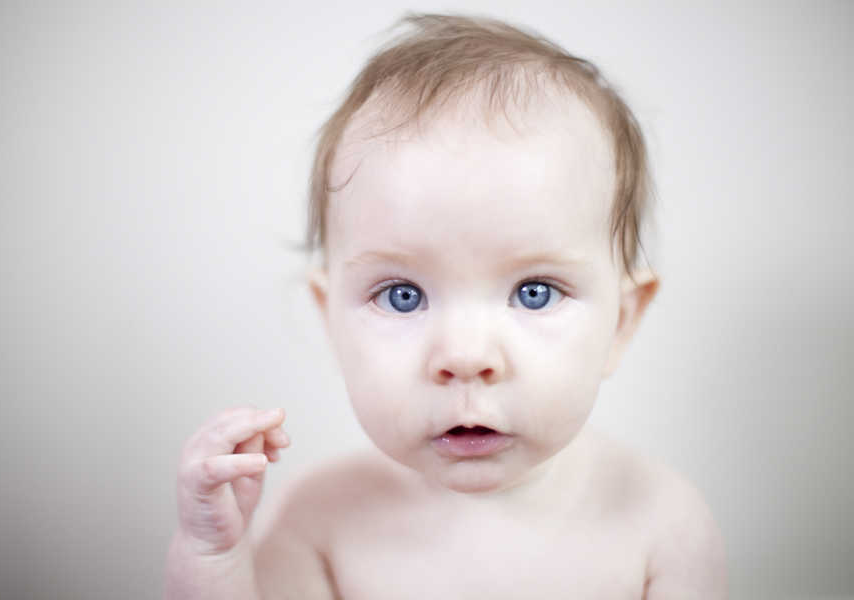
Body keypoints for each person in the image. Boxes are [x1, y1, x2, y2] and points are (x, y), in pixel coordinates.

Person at [164, 14, 728, 599]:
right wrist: (212, 556)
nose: (464, 356)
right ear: (330, 320)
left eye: (534, 292)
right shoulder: (317, 519)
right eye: (402, 296)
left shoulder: (663, 525)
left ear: (622, 322)